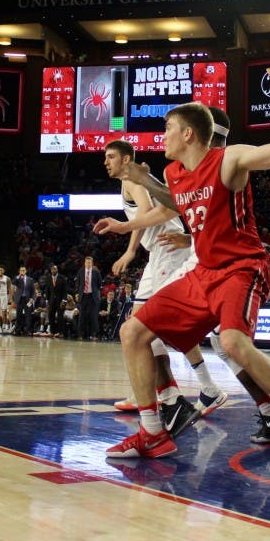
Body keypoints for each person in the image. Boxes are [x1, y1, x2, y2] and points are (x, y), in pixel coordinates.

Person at [94, 50, 270, 479]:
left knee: (233, 343)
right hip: (203, 271)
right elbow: (178, 205)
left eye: (167, 128)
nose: (162, 135)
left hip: (241, 267)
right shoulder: (171, 173)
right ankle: (153, 431)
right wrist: (144, 180)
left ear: (188, 133)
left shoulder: (229, 159)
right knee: (133, 331)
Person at [101, 136, 228, 429]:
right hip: (162, 252)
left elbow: (146, 210)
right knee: (150, 328)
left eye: (110, 157)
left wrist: (130, 250)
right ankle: (201, 389)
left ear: (126, 160)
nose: (106, 162)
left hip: (167, 252)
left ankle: (161, 395)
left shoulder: (133, 183)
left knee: (140, 327)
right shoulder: (131, 182)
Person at [75, 255, 102, 341]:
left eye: (90, 262)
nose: (88, 264)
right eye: (87, 262)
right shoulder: (80, 271)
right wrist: (79, 293)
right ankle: (80, 334)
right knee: (82, 316)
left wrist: (94, 291)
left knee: (93, 315)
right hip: (83, 296)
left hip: (92, 296)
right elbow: (78, 284)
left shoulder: (96, 272)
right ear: (84, 263)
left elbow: (99, 284)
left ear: (92, 263)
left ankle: (94, 334)